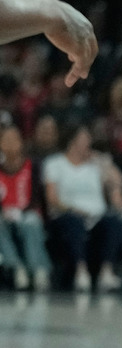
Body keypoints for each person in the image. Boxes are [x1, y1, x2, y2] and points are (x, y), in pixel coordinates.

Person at [42, 125, 122, 292]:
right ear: (73, 142)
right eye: (85, 139)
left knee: (113, 222)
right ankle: (81, 272)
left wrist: (104, 163)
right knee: (74, 222)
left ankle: (106, 273)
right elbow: (52, 198)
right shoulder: (55, 164)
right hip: (67, 215)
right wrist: (73, 209)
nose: (88, 143)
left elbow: (116, 182)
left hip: (96, 217)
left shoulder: (94, 165)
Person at [0, 124, 51, 291]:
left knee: (31, 223)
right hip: (5, 214)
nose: (11, 144)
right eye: (6, 140)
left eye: (14, 139)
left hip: (28, 211)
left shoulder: (33, 165)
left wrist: (20, 211)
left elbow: (37, 197)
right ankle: (16, 267)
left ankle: (38, 269)